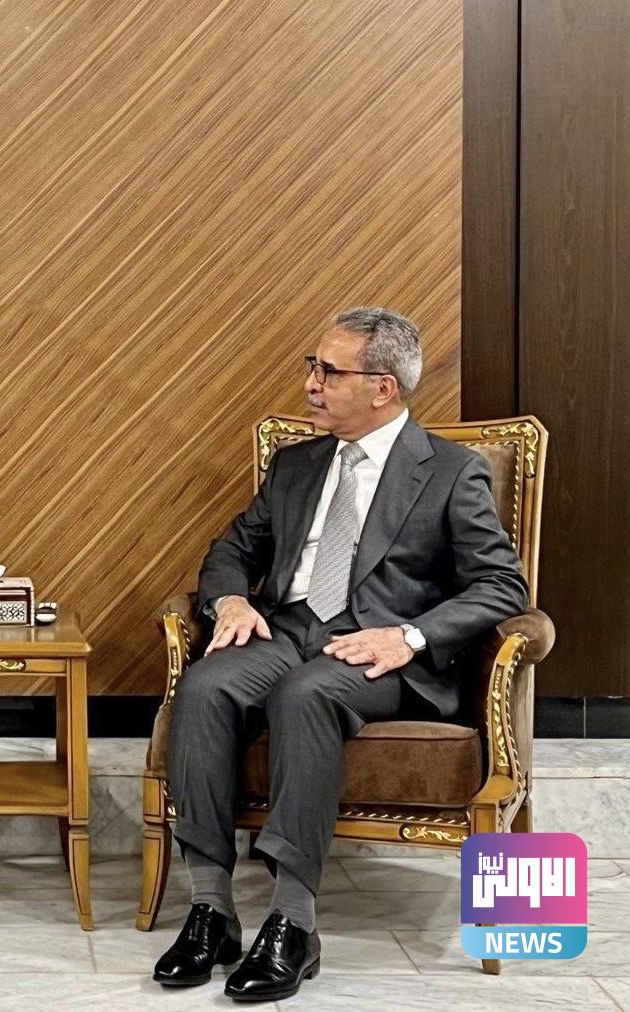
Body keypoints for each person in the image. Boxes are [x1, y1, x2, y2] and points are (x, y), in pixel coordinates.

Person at [153, 308, 527, 1001]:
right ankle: (211, 909)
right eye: (312, 367)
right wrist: (229, 601)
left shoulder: (450, 472)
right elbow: (233, 549)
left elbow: (502, 584)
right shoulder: (296, 464)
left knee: (307, 694)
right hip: (288, 629)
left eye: (328, 371)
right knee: (205, 687)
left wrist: (408, 636)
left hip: (378, 650)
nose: (311, 384)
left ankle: (293, 923)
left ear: (383, 387)